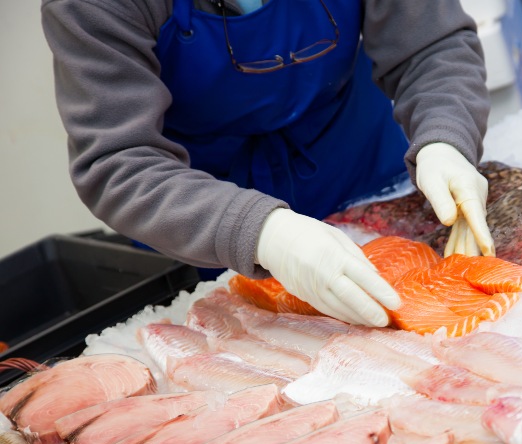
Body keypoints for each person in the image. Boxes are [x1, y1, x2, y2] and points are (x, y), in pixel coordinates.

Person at [41, 0, 495, 328]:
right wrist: (261, 232)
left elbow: (431, 47)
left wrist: (445, 137)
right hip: (208, 229)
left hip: (367, 182)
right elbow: (120, 160)